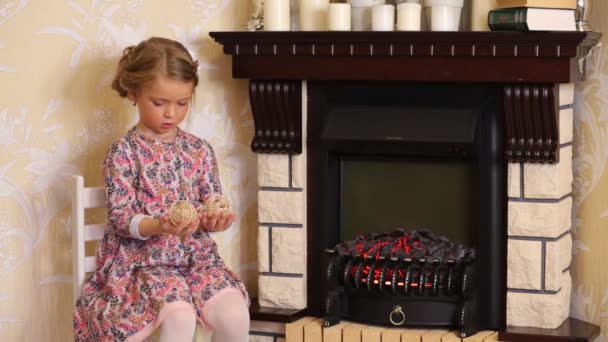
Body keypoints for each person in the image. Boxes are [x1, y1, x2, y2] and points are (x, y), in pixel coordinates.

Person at [73, 37, 250, 342]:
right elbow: (121, 218)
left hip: (197, 261)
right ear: (134, 93)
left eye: (182, 103)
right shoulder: (124, 152)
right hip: (144, 266)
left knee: (235, 315)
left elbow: (210, 203)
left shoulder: (199, 150)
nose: (171, 113)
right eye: (160, 103)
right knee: (179, 317)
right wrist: (159, 225)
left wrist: (214, 220)